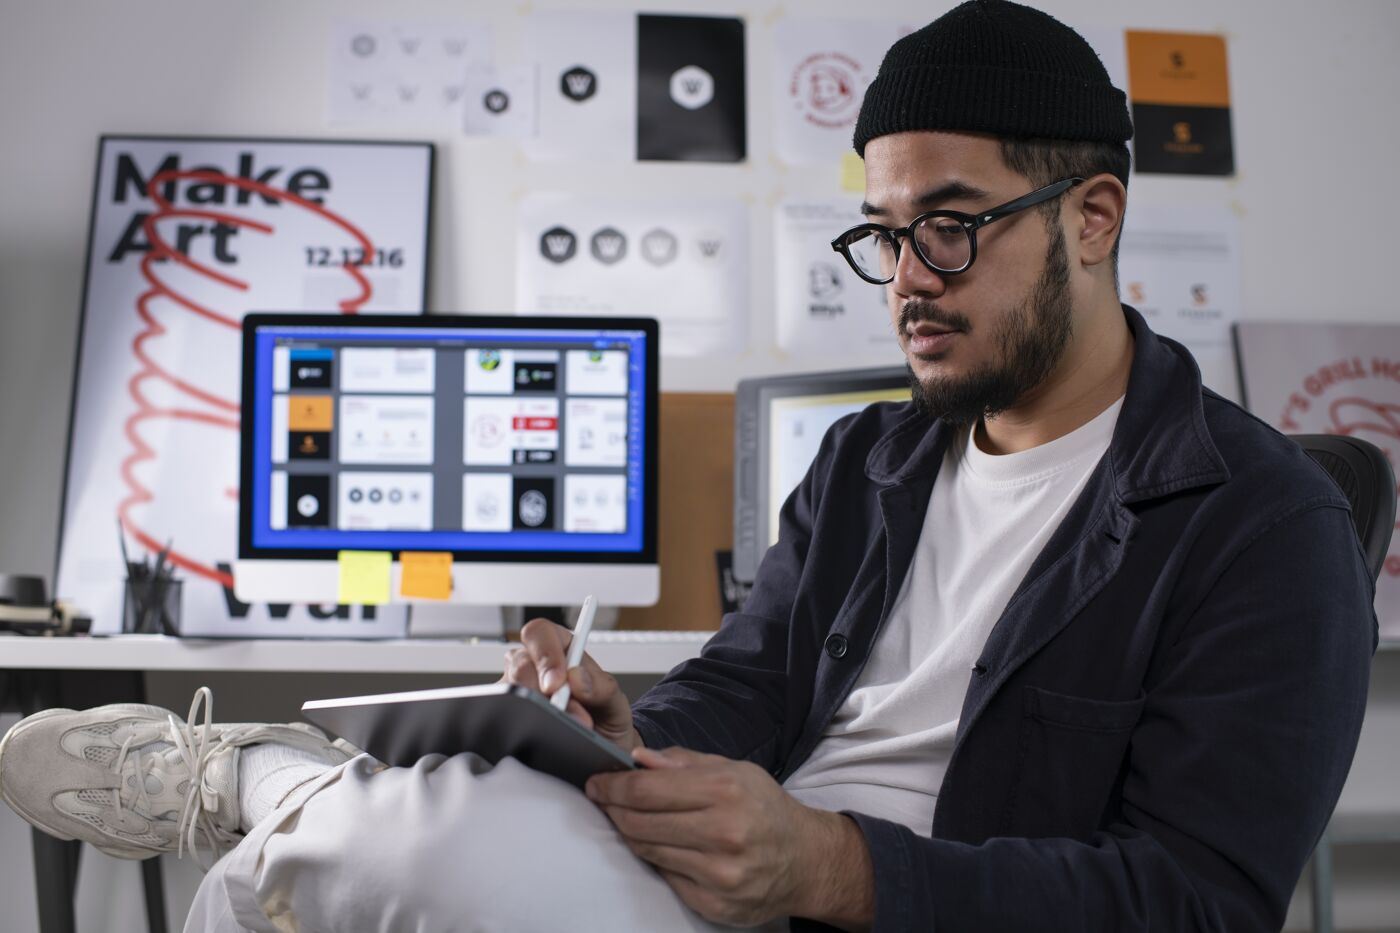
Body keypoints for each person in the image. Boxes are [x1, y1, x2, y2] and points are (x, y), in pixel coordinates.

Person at [0, 2, 1377, 930]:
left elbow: (1196, 896)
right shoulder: (872, 459)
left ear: (1093, 218)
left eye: (950, 226)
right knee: (442, 805)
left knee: (393, 847)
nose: (905, 280)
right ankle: (281, 789)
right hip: (730, 872)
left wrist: (835, 863)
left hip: (856, 902)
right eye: (885, 235)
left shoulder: (1265, 523)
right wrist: (623, 730)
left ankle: (257, 778)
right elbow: (748, 681)